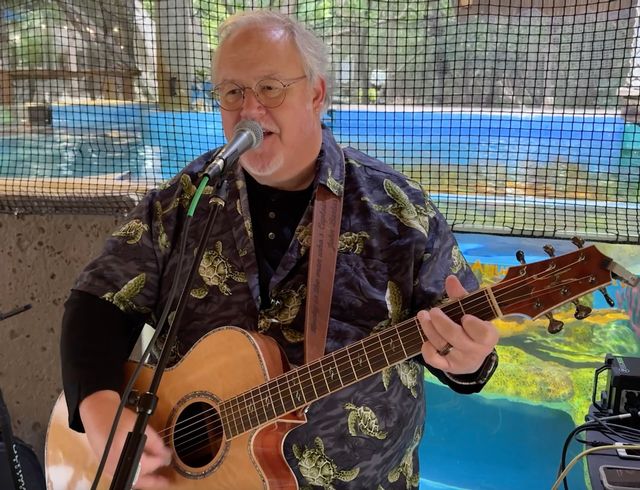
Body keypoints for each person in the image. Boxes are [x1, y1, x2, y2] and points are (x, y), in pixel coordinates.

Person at [60, 9, 500, 489]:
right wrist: (101, 411)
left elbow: (460, 339)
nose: (249, 109)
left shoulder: (399, 211)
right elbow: (97, 302)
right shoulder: (185, 199)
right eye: (232, 92)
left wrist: (470, 362)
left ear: (315, 93)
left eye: (270, 87)